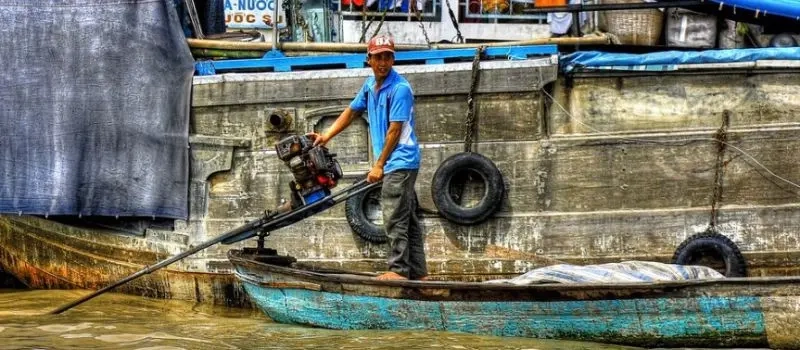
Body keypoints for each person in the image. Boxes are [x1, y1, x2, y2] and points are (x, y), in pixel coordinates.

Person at [311, 34, 427, 281]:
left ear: (393, 59)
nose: (382, 62)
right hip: (395, 161)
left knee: (393, 216)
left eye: (387, 57)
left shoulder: (400, 89)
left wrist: (379, 165)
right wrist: (326, 136)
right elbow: (351, 112)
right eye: (378, 57)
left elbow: (394, 131)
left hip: (400, 160)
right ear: (369, 60)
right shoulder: (370, 86)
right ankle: (418, 273)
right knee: (407, 218)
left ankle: (398, 271)